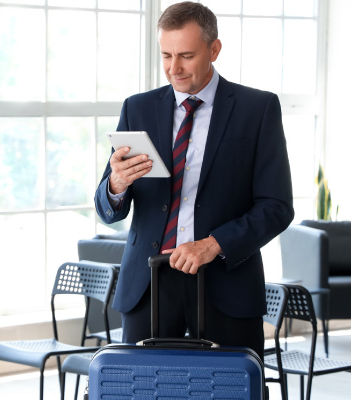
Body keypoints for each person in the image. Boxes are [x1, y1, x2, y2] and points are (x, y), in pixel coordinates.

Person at [94, 1, 294, 360]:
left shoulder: (257, 109)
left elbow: (277, 207)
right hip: (147, 285)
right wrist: (116, 186)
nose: (174, 68)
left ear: (214, 49)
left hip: (226, 284)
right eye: (166, 55)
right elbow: (108, 209)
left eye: (186, 55)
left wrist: (214, 243)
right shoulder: (137, 107)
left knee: (230, 390)